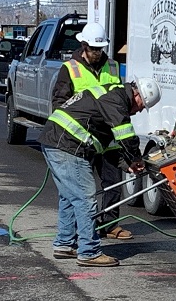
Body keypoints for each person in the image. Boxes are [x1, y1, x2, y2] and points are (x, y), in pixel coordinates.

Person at [38, 78, 162, 267]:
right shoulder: (117, 100)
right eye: (141, 106)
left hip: (55, 140)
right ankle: (89, 251)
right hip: (67, 145)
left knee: (69, 196)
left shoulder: (111, 96)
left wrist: (127, 164)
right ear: (137, 95)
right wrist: (136, 158)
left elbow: (110, 144)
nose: (138, 111)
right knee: (85, 199)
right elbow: (127, 136)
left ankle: (64, 243)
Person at [51, 22, 131, 241]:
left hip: (107, 137)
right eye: (93, 49)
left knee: (113, 182)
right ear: (84, 45)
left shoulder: (113, 67)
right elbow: (59, 102)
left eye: (100, 49)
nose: (97, 53)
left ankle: (111, 224)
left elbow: (119, 101)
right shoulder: (70, 69)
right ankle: (80, 230)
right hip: (81, 138)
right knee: (80, 190)